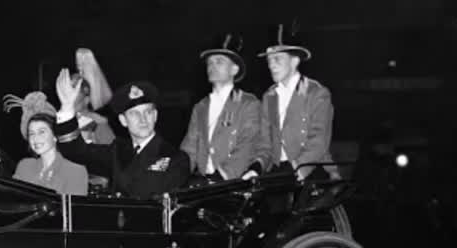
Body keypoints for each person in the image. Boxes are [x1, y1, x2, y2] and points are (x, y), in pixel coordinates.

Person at [53, 72, 191, 198]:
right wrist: (66, 108)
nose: (142, 119)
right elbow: (75, 151)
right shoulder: (117, 151)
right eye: (134, 114)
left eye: (147, 112)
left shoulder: (176, 159)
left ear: (155, 116)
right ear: (123, 120)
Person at [242, 22, 337, 182]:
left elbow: (318, 143)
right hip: (280, 173)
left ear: (295, 61)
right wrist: (256, 168)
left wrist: (295, 169)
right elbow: (266, 145)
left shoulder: (317, 93)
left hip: (311, 172)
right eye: (269, 60)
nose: (271, 65)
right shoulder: (269, 97)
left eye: (277, 59)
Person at [0, 91, 89, 195]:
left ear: (54, 136)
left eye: (42, 132)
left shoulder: (76, 171)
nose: (35, 138)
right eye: (31, 133)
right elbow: (6, 202)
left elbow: (74, 218)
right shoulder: (25, 166)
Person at [180, 33, 262, 182]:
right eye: (209, 63)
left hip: (234, 184)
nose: (212, 66)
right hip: (204, 183)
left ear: (234, 70)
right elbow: (189, 148)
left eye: (219, 61)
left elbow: (247, 147)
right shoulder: (200, 107)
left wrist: (221, 176)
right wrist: (176, 174)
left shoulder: (248, 104)